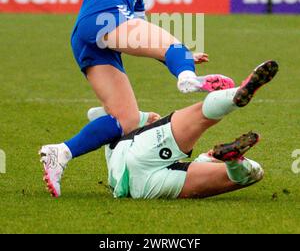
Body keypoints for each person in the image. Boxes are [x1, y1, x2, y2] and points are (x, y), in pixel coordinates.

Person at [38, 0, 235, 197]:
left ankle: (60, 152)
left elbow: (139, 34)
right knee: (176, 44)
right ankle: (189, 79)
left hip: (90, 37)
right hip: (102, 20)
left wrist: (169, 55)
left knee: (126, 120)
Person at [41, 60, 278, 199]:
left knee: (204, 119)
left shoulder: (122, 124)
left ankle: (233, 104)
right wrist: (144, 118)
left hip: (140, 181)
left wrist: (142, 118)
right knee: (250, 173)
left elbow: (97, 115)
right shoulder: (126, 123)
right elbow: (100, 116)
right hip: (142, 177)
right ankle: (232, 147)